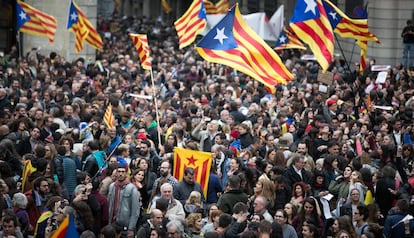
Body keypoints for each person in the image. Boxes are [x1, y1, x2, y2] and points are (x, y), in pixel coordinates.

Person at [107, 164, 140, 238]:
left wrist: (131, 228)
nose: (120, 174)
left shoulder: (132, 188)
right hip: (112, 223)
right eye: (119, 172)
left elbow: (135, 211)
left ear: (126, 173)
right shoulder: (112, 186)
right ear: (116, 173)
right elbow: (109, 205)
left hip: (125, 225)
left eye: (123, 172)